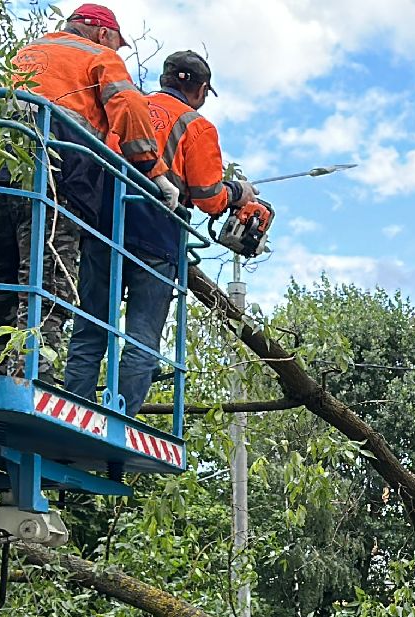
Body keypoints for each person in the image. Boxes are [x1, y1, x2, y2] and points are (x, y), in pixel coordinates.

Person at [0, 3, 176, 380]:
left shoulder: (28, 53)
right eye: (117, 43)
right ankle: (32, 379)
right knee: (47, 287)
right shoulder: (100, 56)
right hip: (57, 179)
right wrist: (154, 172)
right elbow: (129, 106)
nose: (117, 52)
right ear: (102, 33)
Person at [65, 50, 259, 413]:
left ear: (164, 79)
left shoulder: (124, 105)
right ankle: (117, 419)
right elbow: (208, 197)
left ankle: (76, 410)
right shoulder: (196, 126)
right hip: (157, 236)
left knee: (90, 326)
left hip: (104, 225)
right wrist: (237, 192)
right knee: (142, 338)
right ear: (201, 90)